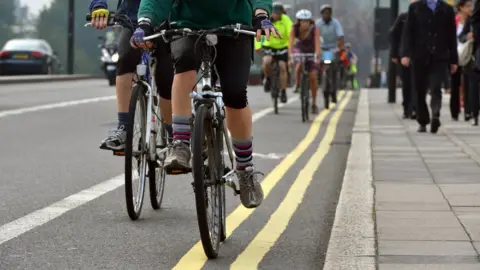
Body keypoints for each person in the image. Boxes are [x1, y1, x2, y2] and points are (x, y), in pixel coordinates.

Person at [132, 0, 279, 208]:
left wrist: (261, 15)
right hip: (187, 24)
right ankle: (181, 143)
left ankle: (245, 170)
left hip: (234, 25)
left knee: (235, 94)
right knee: (184, 66)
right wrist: (145, 21)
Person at [88, 0, 174, 151]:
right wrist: (99, 6)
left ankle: (173, 133)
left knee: (166, 77)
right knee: (125, 59)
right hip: (133, 18)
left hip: (169, 19)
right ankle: (123, 127)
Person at [401, 0, 458, 134]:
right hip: (420, 55)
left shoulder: (447, 10)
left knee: (436, 87)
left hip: (440, 55)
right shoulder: (414, 8)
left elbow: (452, 36)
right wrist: (405, 54)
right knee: (420, 90)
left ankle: (435, 115)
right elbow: (408, 32)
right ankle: (423, 120)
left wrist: (454, 60)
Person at [288, 9, 321, 114]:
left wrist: (317, 55)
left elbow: (317, 43)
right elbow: (291, 43)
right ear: (299, 22)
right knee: (299, 65)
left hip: (311, 51)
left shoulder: (315, 29)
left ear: (310, 21)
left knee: (313, 77)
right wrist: (290, 56)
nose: (305, 23)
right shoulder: (294, 29)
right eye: (302, 21)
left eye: (307, 21)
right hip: (300, 50)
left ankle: (314, 103)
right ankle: (298, 85)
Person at [261, 2, 293, 103]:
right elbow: (260, 33)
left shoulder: (286, 20)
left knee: (283, 66)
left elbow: (291, 33)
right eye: (275, 13)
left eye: (279, 13)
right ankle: (268, 79)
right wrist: (258, 46)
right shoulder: (266, 21)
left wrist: (290, 45)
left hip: (282, 47)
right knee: (266, 61)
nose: (277, 15)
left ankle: (283, 91)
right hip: (269, 45)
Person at [390, 0, 416, 119]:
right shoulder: (403, 18)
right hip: (404, 56)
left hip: (419, 56)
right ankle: (407, 108)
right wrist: (394, 54)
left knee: (417, 83)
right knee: (407, 83)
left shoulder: (426, 19)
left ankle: (415, 108)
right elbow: (394, 35)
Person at [315, 4, 344, 104]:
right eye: (325, 13)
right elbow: (314, 35)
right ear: (322, 14)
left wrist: (338, 48)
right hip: (322, 48)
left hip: (332, 49)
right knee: (317, 65)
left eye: (328, 13)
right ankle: (319, 79)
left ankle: (334, 91)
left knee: (334, 69)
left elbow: (340, 36)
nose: (327, 14)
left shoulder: (335, 23)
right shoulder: (317, 23)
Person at [454, 0, 474, 122]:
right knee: (462, 83)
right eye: (468, 6)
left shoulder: (472, 19)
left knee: (471, 83)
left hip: (469, 55)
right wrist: (467, 36)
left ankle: (471, 108)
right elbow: (460, 36)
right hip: (461, 55)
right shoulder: (469, 21)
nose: (470, 8)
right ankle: (464, 109)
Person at [459, 0, 479, 125]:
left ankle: (474, 112)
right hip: (473, 57)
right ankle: (473, 112)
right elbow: (461, 36)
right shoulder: (472, 20)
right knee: (472, 87)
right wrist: (468, 36)